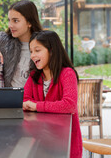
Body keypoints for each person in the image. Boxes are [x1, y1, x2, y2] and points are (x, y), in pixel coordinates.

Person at [22, 30, 82, 158]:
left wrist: (36, 106)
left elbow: (69, 105)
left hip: (65, 144)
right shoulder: (34, 76)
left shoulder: (67, 74)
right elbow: (25, 101)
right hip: (41, 143)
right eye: (31, 51)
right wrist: (33, 105)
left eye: (37, 50)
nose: (33, 55)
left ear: (51, 51)